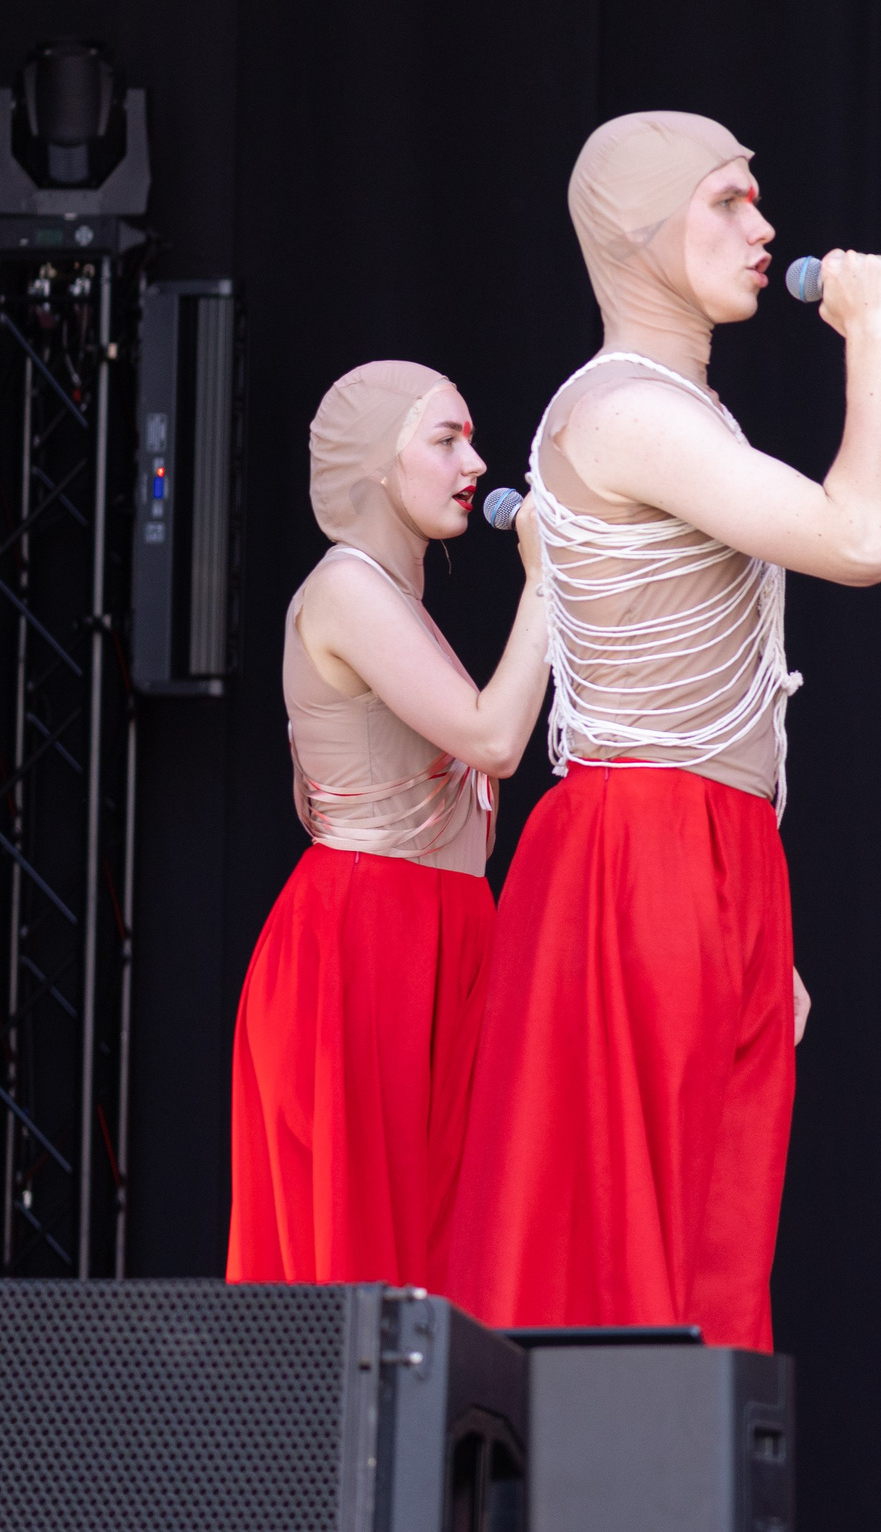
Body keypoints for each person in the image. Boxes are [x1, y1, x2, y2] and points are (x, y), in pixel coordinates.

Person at [443, 111, 881, 1348]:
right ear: (639, 235)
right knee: (627, 1258)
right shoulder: (622, 412)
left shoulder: (675, 410)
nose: (765, 230)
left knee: (711, 1241)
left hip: (709, 850)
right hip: (643, 847)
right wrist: (870, 340)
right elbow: (863, 542)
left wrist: (755, 919)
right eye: (728, 203)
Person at [228, 360, 550, 1288]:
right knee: (365, 1265)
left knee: (445, 1262)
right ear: (377, 462)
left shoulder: (393, 601)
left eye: (470, 437)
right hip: (366, 940)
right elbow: (493, 738)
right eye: (446, 439)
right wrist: (544, 579)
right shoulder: (345, 591)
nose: (475, 462)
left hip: (439, 935)